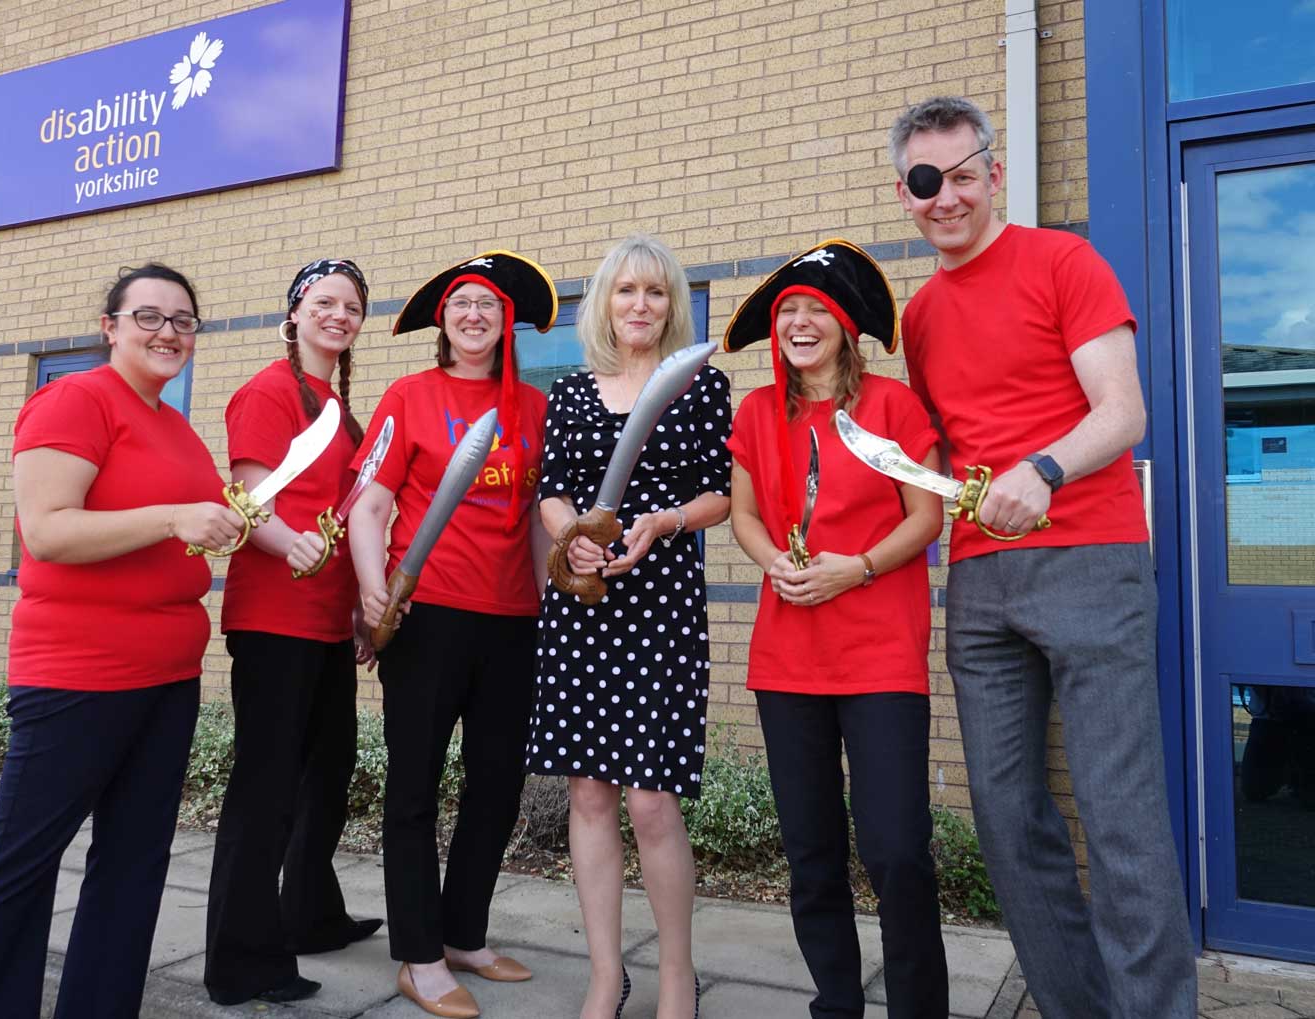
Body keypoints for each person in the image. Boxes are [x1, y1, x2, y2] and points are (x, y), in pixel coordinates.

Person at [888, 95, 1196, 1019]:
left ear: (993, 171)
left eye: (962, 175)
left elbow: (1123, 411)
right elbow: (943, 449)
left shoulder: (1064, 260)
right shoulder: (922, 317)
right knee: (1010, 821)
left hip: (1091, 562)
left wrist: (1044, 467)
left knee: (1120, 816)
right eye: (923, 181)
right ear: (904, 189)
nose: (945, 198)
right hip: (980, 579)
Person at [0, 264, 245, 1018]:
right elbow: (48, 529)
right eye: (149, 316)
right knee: (20, 866)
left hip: (166, 677)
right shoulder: (73, 399)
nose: (168, 332)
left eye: (183, 320)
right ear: (110, 326)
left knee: (133, 868)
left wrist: (216, 526)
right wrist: (175, 517)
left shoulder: (173, 424)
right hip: (78, 675)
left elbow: (174, 530)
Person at [721, 240, 949, 1019]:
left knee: (895, 850)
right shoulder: (756, 411)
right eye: (789, 311)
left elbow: (928, 514)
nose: (800, 322)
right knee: (812, 854)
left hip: (881, 653)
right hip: (787, 658)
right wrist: (775, 564)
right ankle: (837, 1004)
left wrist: (858, 567)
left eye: (817, 309)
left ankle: (917, 1006)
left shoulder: (892, 406)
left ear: (847, 326)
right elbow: (747, 515)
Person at [526, 234, 732, 1019]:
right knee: (588, 792)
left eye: (654, 291)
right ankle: (606, 974)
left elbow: (719, 490)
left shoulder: (699, 386)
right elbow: (553, 487)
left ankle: (677, 973)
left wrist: (663, 521)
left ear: (671, 303)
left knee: (652, 800)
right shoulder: (573, 393)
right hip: (584, 606)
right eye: (624, 291)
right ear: (604, 304)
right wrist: (572, 530)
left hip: (661, 603)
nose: (639, 305)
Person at [348, 251, 555, 1019]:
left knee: (496, 785)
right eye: (462, 304)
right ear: (443, 318)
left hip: (511, 622)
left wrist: (548, 603)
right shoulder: (411, 394)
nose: (475, 316)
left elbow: (538, 517)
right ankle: (419, 952)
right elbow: (369, 505)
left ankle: (465, 931)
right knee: (414, 788)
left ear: (506, 324)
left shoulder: (533, 407)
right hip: (426, 613)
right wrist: (374, 595)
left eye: (489, 307)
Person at [203, 258, 383, 1006]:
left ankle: (308, 911)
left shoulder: (340, 408)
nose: (339, 315)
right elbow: (251, 495)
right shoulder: (267, 390)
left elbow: (353, 516)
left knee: (330, 769)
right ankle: (240, 960)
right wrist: (287, 543)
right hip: (273, 615)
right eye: (325, 302)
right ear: (295, 312)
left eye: (352, 307)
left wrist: (356, 610)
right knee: (267, 789)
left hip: (325, 621)